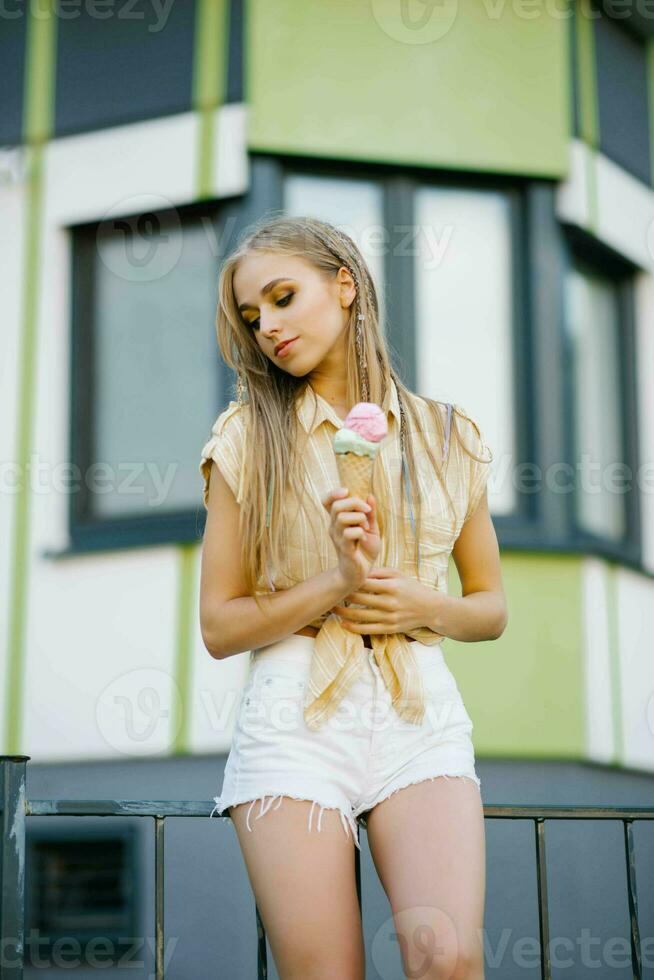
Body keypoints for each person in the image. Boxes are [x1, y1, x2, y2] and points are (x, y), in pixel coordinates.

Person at [199, 214, 507, 980]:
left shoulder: (448, 436)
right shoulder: (246, 436)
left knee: (449, 960)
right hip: (293, 711)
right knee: (327, 973)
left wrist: (422, 607)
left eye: (281, 297)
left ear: (344, 286)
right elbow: (218, 624)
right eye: (251, 315)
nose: (267, 327)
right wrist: (337, 582)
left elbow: (490, 605)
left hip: (420, 712)